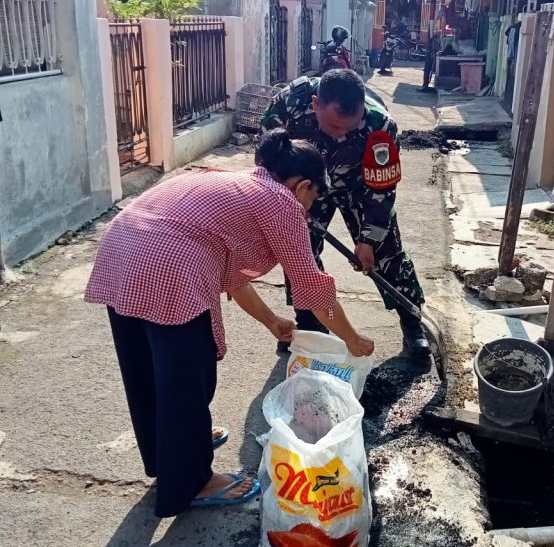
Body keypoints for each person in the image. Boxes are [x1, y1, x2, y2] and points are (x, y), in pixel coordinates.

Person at [84, 130, 374, 518]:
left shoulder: (232, 181)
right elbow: (312, 289)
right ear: (303, 186)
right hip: (168, 268)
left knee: (146, 371)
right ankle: (193, 482)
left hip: (120, 250)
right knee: (188, 378)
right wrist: (353, 340)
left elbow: (233, 278)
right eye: (312, 199)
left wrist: (272, 321)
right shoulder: (281, 202)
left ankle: (169, 453)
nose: (308, 210)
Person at [261, 68, 431, 364]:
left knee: (386, 251)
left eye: (349, 129)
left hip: (361, 187)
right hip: (307, 187)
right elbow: (268, 163)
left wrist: (367, 240)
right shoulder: (286, 108)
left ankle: (412, 323)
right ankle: (310, 325)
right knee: (300, 254)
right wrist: (287, 203)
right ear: (315, 104)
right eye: (333, 127)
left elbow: (383, 190)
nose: (341, 135)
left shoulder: (380, 125)